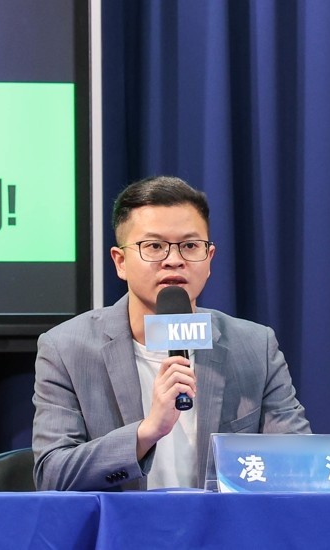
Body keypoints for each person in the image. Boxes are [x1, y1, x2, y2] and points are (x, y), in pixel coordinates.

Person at [32, 176, 310, 491]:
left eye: (190, 246)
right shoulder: (67, 349)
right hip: (121, 523)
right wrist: (147, 432)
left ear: (209, 259)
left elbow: (298, 466)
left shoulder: (255, 347)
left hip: (220, 523)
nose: (174, 260)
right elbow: (53, 475)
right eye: (154, 246)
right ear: (120, 262)